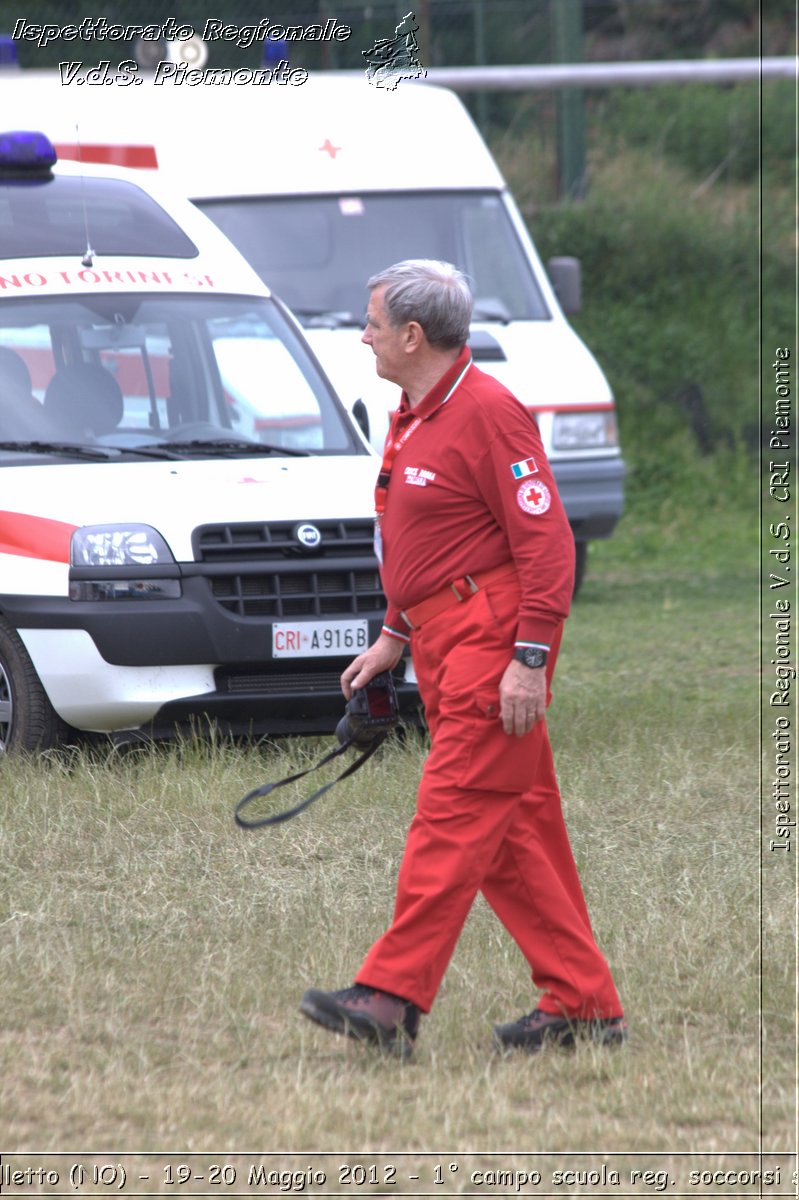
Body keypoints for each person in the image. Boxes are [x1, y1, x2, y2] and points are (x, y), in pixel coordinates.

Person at [300, 260, 626, 1059]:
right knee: (514, 835)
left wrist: (528, 659)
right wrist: (394, 635)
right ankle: (582, 1003)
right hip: (442, 643)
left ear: (413, 335)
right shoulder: (412, 411)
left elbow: (545, 543)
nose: (363, 334)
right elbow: (424, 544)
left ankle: (387, 997)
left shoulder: (489, 413)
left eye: (372, 321)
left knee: (450, 819)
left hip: (492, 649)